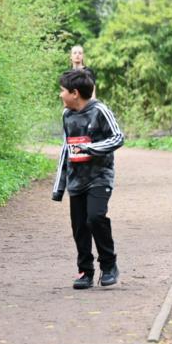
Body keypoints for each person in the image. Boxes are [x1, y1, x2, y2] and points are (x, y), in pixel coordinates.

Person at [52, 68, 124, 289]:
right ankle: (85, 271)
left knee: (95, 218)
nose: (60, 94)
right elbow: (66, 148)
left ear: (75, 93)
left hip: (99, 177)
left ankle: (109, 265)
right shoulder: (67, 115)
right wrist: (59, 186)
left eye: (62, 90)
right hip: (76, 180)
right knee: (79, 227)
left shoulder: (100, 110)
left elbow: (118, 138)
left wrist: (91, 148)